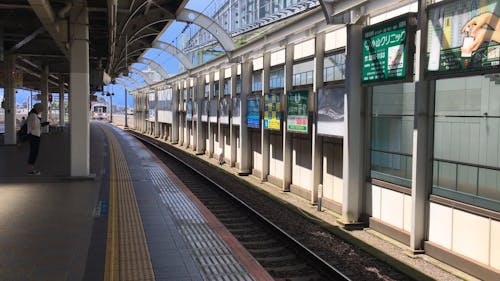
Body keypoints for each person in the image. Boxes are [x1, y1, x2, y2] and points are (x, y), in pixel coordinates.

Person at [26, 103, 49, 175]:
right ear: (38, 109)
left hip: (34, 136)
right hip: (34, 136)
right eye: (41, 109)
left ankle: (30, 169)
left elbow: (36, 125)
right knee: (33, 153)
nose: (41, 111)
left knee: (34, 153)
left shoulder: (33, 115)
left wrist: (44, 123)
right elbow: (34, 127)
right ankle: (30, 170)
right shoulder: (33, 116)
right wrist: (41, 123)